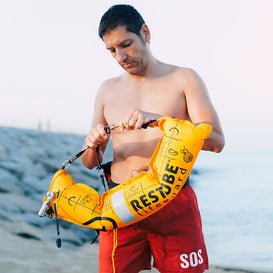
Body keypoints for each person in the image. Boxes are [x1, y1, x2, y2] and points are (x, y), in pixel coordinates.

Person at [82, 4, 225, 273]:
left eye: (126, 44)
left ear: (145, 33)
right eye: (112, 50)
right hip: (120, 202)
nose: (121, 56)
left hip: (172, 201)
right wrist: (94, 144)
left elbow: (216, 141)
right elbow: (90, 162)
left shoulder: (183, 78)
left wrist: (161, 121)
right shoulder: (107, 90)